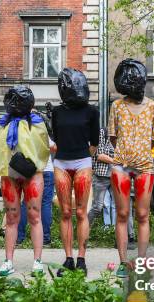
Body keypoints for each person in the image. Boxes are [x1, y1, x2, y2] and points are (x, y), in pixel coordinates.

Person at [109, 59, 154, 277]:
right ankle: (122, 262)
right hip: (121, 166)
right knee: (122, 213)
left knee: (142, 214)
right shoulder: (117, 106)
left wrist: (137, 154)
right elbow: (113, 137)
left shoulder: (153, 107)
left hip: (145, 168)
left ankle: (141, 259)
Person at [0, 86, 50, 277]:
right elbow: (0, 151)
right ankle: (8, 260)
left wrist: (33, 164)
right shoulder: (3, 124)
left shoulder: (37, 122)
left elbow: (44, 148)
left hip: (33, 174)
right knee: (11, 218)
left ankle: (37, 261)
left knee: (35, 215)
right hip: (9, 174)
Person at [52, 68, 99, 276]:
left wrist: (81, 156)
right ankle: (68, 258)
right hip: (61, 163)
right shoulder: (57, 112)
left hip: (82, 162)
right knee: (64, 212)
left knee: (81, 212)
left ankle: (82, 258)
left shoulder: (92, 111)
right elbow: (55, 138)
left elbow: (95, 144)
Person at [17, 138, 55, 246]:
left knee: (26, 203)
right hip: (46, 171)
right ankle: (45, 238)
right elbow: (54, 148)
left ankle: (19, 237)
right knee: (45, 204)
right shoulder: (42, 131)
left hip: (31, 170)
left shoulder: (25, 132)